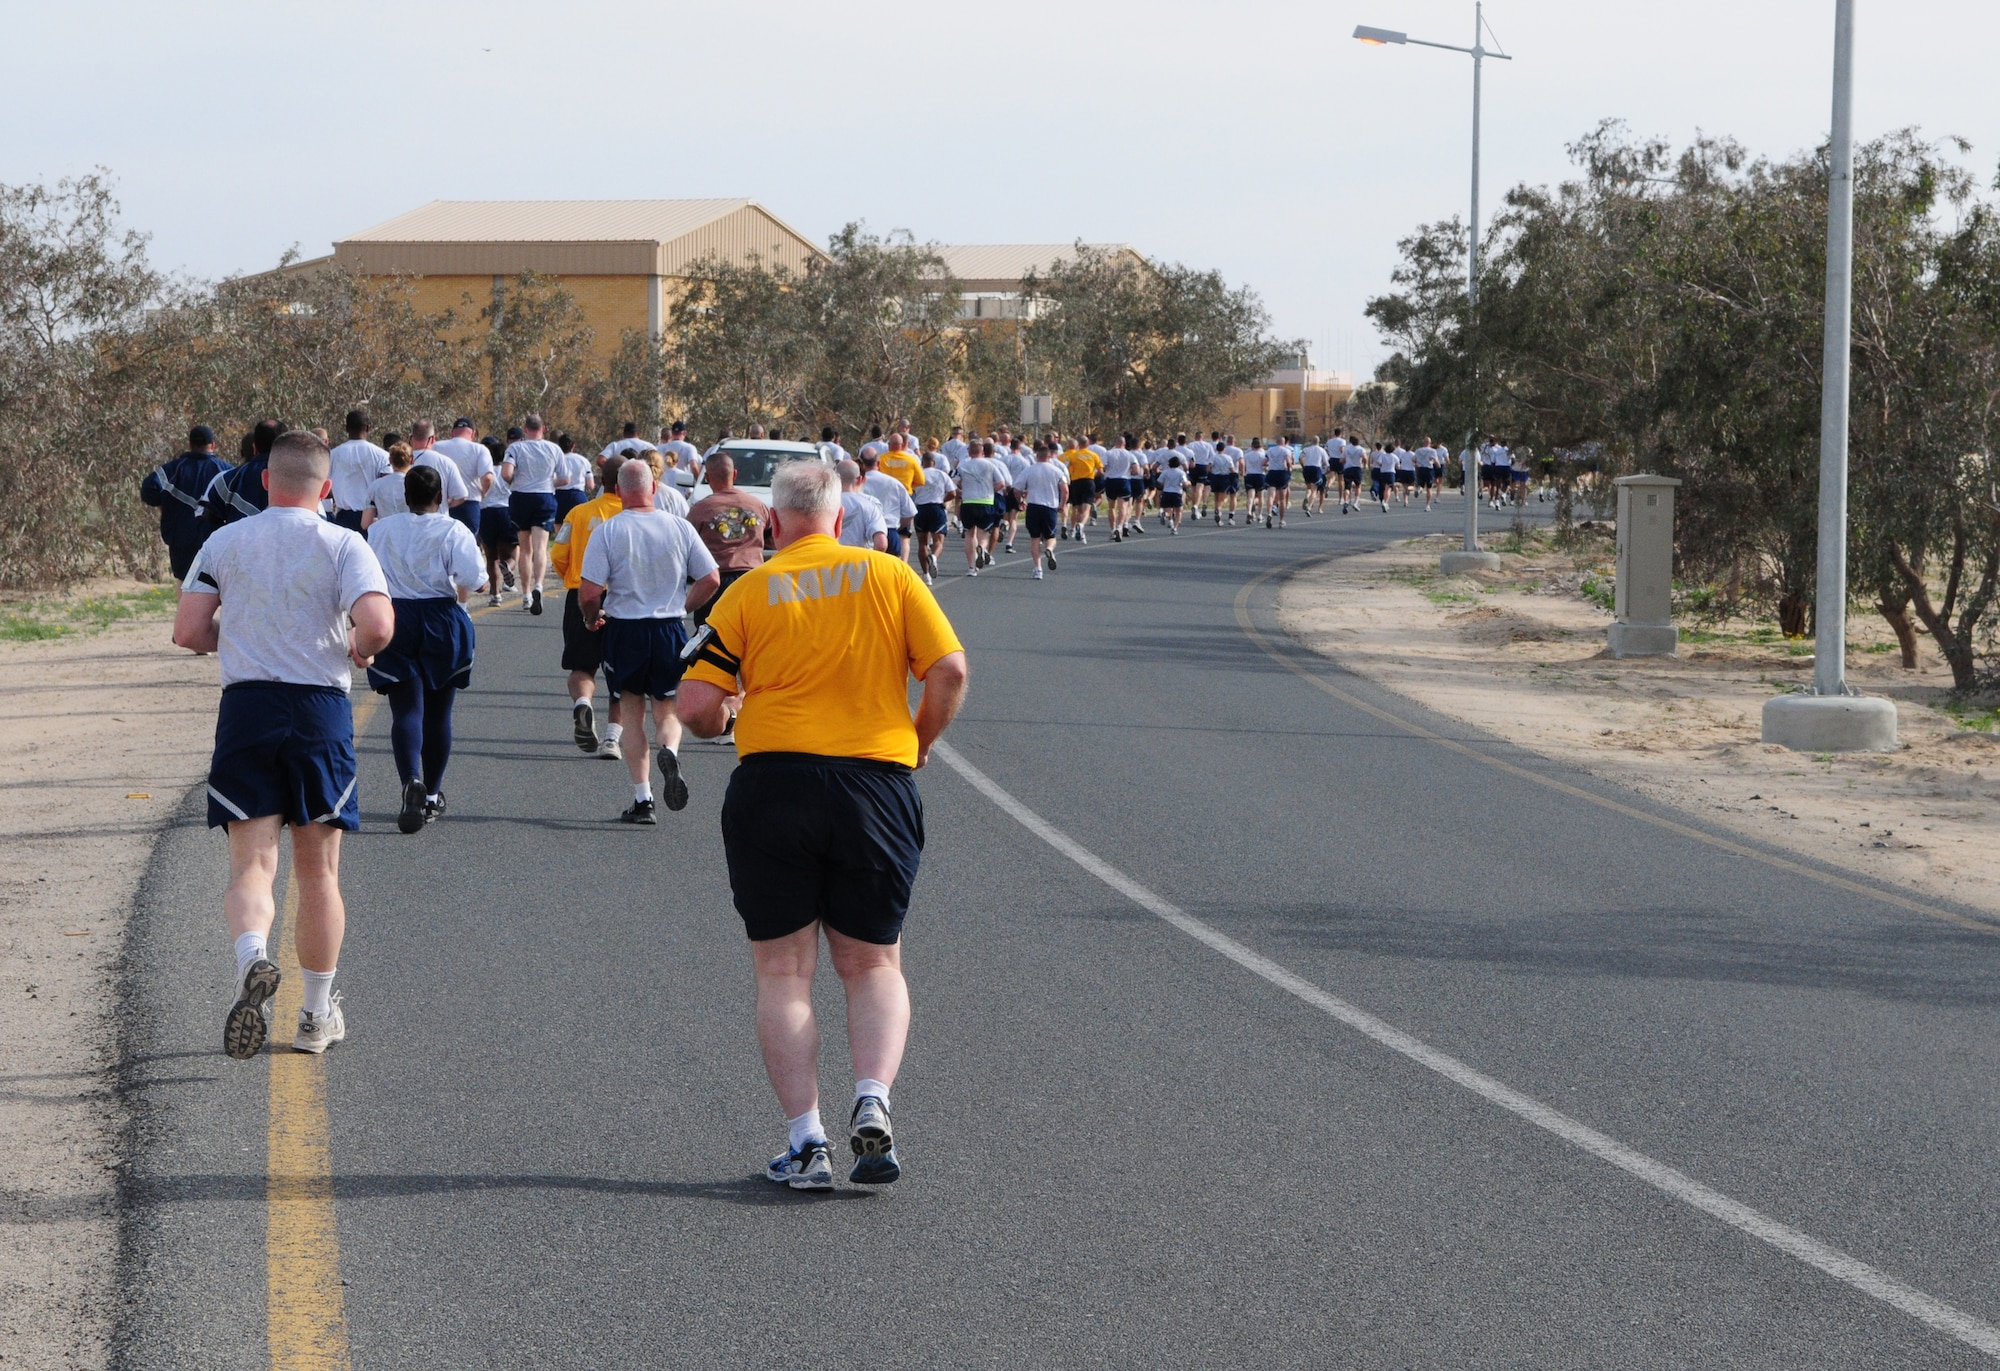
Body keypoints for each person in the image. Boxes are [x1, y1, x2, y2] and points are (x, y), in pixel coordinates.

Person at [675, 460, 969, 1190]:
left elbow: (695, 707)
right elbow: (951, 670)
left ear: (773, 524)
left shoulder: (749, 590)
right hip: (876, 782)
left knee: (783, 970)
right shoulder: (890, 576)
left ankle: (806, 1141)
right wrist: (921, 740)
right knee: (873, 963)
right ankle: (873, 1095)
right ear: (842, 519)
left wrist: (728, 713)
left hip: (774, 784)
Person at [171, 430, 394, 1058]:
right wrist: (359, 649)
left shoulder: (224, 540)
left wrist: (236, 638)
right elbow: (377, 624)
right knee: (318, 872)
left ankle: (253, 957)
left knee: (252, 864)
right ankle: (316, 1015)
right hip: (319, 709)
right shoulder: (345, 542)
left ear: (265, 480)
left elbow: (189, 630)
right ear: (326, 489)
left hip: (247, 707)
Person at [577, 461, 721, 824]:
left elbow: (590, 591)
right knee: (667, 710)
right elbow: (711, 578)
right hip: (669, 627)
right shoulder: (679, 527)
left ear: (620, 491)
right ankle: (669, 750)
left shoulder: (609, 531)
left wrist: (591, 618)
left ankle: (644, 799)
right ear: (653, 487)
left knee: (631, 715)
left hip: (625, 630)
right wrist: (684, 606)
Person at [362, 465, 484, 833]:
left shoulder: (379, 530)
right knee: (439, 713)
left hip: (394, 617)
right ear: (440, 498)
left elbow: (364, 575)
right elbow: (474, 580)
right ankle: (431, 795)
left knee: (406, 710)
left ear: (404, 497)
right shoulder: (453, 529)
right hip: (441, 619)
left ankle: (410, 779)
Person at [549, 454, 631, 761]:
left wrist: (572, 578)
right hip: (624, 599)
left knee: (581, 666)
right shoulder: (633, 515)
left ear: (601, 479)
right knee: (622, 672)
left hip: (581, 594)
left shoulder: (578, 513)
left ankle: (582, 702)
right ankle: (612, 738)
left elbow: (558, 553)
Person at [686, 453, 771, 744]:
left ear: (708, 477)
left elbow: (688, 548)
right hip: (754, 581)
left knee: (716, 650)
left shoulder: (700, 509)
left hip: (716, 582)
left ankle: (727, 712)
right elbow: (773, 538)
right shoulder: (758, 505)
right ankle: (744, 708)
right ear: (734, 475)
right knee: (752, 648)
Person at [141, 424, 228, 580]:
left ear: (190, 445)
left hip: (181, 542)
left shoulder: (172, 470)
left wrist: (165, 506)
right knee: (216, 587)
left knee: (185, 585)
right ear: (213, 445)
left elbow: (148, 489)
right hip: (214, 542)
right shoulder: (226, 471)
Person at [501, 416, 562, 615]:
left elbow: (506, 473)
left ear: (525, 429)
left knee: (525, 549)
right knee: (541, 547)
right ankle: (539, 585)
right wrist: (550, 483)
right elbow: (565, 477)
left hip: (521, 497)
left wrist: (514, 481)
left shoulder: (516, 448)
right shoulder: (554, 449)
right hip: (544, 497)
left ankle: (526, 594)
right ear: (543, 428)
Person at [202, 420, 283, 530]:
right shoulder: (302, 477)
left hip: (237, 545)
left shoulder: (228, 480)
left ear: (254, 448)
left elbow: (210, 519)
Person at [326, 411, 391, 532]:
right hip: (370, 518)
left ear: (346, 428)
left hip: (342, 517)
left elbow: (326, 485)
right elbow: (386, 486)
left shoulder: (332, 455)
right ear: (367, 428)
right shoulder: (382, 456)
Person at [432, 419, 494, 537]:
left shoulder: (436, 446)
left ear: (452, 432)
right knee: (467, 543)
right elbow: (487, 478)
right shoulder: (479, 449)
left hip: (442, 503)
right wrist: (483, 493)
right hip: (470, 503)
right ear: (473, 434)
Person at [1017, 441, 1068, 580]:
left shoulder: (1029, 469)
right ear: (1049, 456)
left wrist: (1020, 501)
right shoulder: (1057, 471)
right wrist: (1062, 504)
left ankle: (1038, 569)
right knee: (1050, 536)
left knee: (1035, 538)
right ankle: (1049, 550)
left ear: (1037, 456)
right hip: (1050, 507)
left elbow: (1017, 488)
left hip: (1033, 506)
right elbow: (1065, 489)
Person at [476, 436, 517, 606]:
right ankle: (507, 565)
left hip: (486, 513)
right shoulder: (509, 473)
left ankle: (495, 595)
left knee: (491, 556)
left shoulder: (485, 473)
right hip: (507, 512)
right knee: (512, 554)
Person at [954, 442, 1004, 575]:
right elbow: (1001, 483)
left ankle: (971, 567)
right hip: (986, 502)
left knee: (970, 534)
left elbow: (954, 482)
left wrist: (961, 491)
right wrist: (991, 490)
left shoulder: (962, 466)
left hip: (968, 501)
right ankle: (982, 548)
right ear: (982, 452)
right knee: (984, 533)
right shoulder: (990, 465)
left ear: (969, 452)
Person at [858, 452, 917, 562]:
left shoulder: (857, 482)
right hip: (889, 530)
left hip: (864, 533)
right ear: (879, 463)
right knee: (892, 573)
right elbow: (910, 512)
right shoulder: (893, 482)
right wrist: (898, 526)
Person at [911, 450, 955, 584]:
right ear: (934, 463)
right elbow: (952, 493)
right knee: (938, 541)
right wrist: (943, 500)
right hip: (936, 507)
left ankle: (926, 575)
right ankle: (934, 557)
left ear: (922, 463)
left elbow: (911, 489)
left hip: (921, 508)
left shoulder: (918, 474)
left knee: (922, 543)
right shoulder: (941, 474)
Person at [835, 461, 890, 552]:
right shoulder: (870, 504)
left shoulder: (821, 504)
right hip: (861, 562)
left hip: (830, 561)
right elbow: (881, 544)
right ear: (860, 479)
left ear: (834, 478)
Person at [361, 442, 415, 529]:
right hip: (410, 533)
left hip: (386, 534)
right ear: (412, 460)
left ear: (390, 460)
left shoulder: (375, 486)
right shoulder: (416, 485)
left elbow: (365, 524)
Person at [1157, 453, 1188, 534]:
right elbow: (1185, 483)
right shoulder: (1181, 473)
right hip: (1177, 492)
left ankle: (1166, 514)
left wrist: (1165, 485)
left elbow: (1159, 481)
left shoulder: (1165, 472)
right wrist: (1189, 483)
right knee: (1178, 511)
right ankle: (1175, 528)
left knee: (1168, 508)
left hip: (1167, 492)